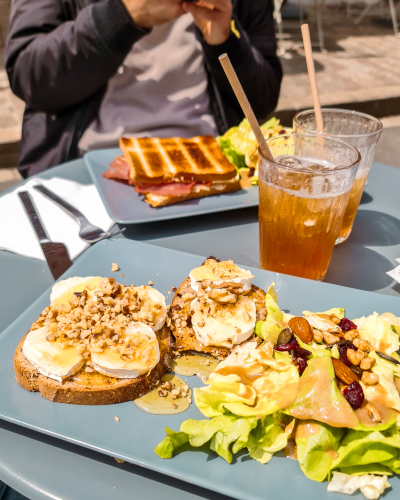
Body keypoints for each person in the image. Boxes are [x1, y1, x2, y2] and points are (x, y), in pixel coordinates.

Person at [6, 0, 282, 178]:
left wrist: (225, 41)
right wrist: (123, 16)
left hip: (209, 173)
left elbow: (262, 101)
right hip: (85, 173)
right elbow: (30, 78)